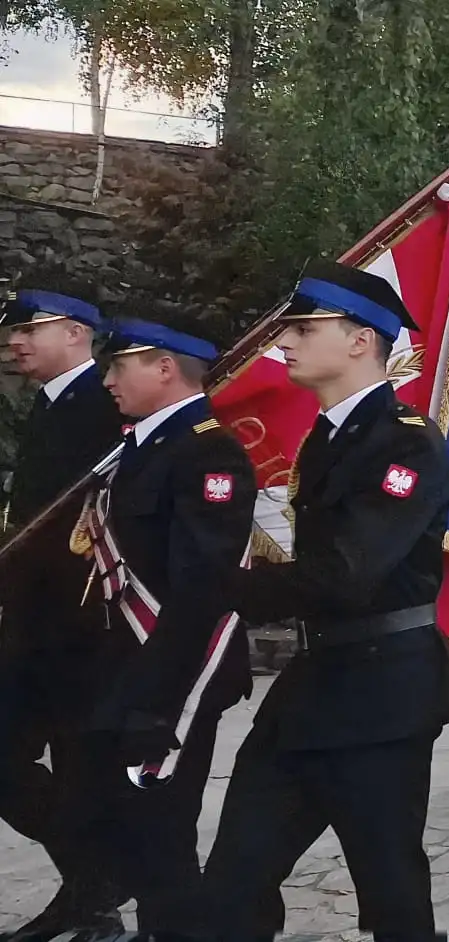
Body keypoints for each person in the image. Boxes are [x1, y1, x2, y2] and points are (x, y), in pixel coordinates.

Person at [202, 261, 449, 942]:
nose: (283, 342)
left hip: (384, 697)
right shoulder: (329, 434)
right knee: (234, 879)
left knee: (392, 897)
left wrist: (215, 587)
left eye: (303, 327)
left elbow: (344, 574)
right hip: (317, 685)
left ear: (360, 340)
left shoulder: (406, 442)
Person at [62, 319, 257, 937]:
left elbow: (201, 590)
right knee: (125, 828)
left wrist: (156, 701)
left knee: (162, 834)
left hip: (176, 675)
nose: (108, 378)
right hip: (122, 671)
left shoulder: (208, 453)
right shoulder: (138, 448)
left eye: (120, 365)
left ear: (164, 368)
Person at [0, 288, 126, 935]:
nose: (14, 340)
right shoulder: (52, 409)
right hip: (31, 629)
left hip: (82, 632)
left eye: (28, 327)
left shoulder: (107, 411)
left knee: (80, 770)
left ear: (76, 331)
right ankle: (93, 878)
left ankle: (93, 899)